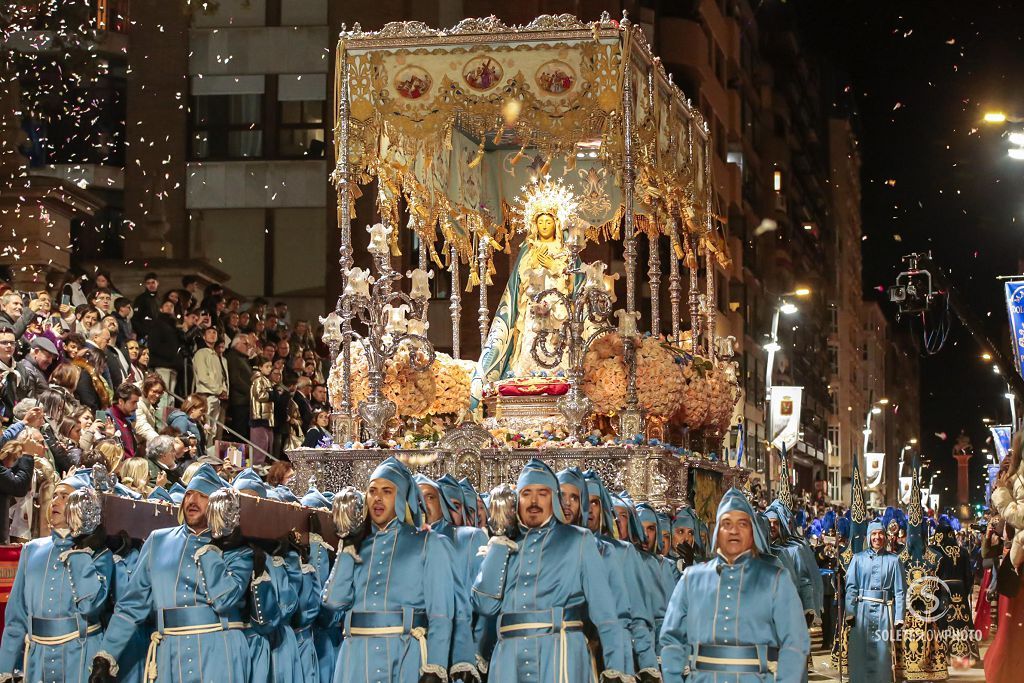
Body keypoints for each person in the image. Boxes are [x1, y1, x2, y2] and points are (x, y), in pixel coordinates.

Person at [90, 464, 255, 683]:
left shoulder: (237, 549)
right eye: (189, 494)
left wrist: (214, 547)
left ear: (217, 505)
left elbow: (224, 600)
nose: (192, 501)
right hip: (169, 653)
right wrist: (106, 656)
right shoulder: (158, 540)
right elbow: (132, 605)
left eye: (202, 496)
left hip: (218, 650)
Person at [471, 458, 631, 681]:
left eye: (542, 493)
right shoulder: (504, 545)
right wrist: (498, 544)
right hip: (508, 659)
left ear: (554, 499)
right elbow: (485, 606)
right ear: (516, 500)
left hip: (560, 653)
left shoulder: (578, 540)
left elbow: (605, 612)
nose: (534, 501)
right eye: (526, 493)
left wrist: (616, 667)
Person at [321, 457, 455, 682]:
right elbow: (333, 602)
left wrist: (436, 665)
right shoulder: (357, 545)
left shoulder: (427, 543)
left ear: (402, 497)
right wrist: (346, 546)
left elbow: (441, 614)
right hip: (355, 659)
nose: (377, 498)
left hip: (405, 655)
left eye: (387, 491)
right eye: (372, 491)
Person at [660, 487, 811, 682]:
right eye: (726, 523)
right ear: (717, 532)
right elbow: (671, 637)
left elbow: (795, 642)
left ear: (753, 533)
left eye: (742, 524)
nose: (733, 530)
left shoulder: (775, 580)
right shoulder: (691, 578)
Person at [0, 472, 113, 682]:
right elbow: (16, 616)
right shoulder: (31, 550)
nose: (56, 501)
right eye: (55, 495)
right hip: (38, 659)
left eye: (65, 497)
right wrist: (5, 669)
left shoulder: (99, 554)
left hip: (80, 655)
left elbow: (91, 605)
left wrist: (82, 549)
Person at [844, 520, 906, 683]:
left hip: (884, 612)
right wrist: (850, 612)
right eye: (874, 534)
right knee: (860, 652)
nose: (877, 537)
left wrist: (899, 616)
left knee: (882, 652)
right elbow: (851, 587)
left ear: (884, 536)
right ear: (869, 537)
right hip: (861, 612)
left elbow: (899, 591)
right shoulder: (857, 559)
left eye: (880, 534)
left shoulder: (894, 560)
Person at [985, 431, 1024, 683]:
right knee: (1010, 628)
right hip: (1015, 558)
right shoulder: (1016, 478)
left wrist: (1001, 495)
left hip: (1020, 560)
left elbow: (1021, 517)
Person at [193, 326, 228, 443]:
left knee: (213, 429)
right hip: (205, 395)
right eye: (209, 332)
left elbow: (222, 376)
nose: (212, 335)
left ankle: (209, 451)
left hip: (216, 396)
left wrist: (223, 390)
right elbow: (203, 377)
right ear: (204, 336)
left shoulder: (216, 356)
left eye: (215, 332)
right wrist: (219, 390)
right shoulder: (200, 353)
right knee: (205, 426)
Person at [226, 333, 254, 440]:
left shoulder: (242, 358)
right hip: (239, 401)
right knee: (239, 433)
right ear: (237, 344)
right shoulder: (233, 357)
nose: (248, 346)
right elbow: (235, 379)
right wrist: (251, 391)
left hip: (245, 400)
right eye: (245, 343)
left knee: (244, 433)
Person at [15, 335, 58, 400]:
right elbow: (28, 402)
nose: (50, 361)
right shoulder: (27, 371)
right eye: (48, 356)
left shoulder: (34, 369)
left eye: (52, 358)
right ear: (36, 352)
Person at [249, 358, 275, 464]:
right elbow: (259, 395)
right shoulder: (258, 379)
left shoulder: (266, 379)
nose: (269, 369)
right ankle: (257, 466)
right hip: (259, 416)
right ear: (260, 367)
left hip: (267, 417)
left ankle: (264, 463)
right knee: (260, 444)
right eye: (267, 366)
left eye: (270, 366)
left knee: (267, 443)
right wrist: (272, 394)